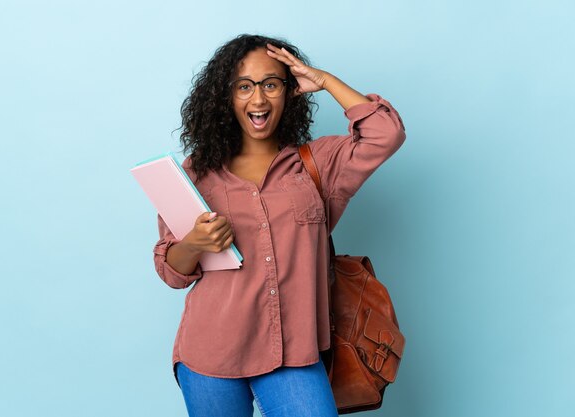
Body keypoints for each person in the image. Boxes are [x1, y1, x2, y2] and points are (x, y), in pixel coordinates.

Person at [153, 34, 406, 417]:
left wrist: (325, 80)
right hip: (211, 355)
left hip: (294, 353)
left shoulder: (319, 165)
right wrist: (195, 243)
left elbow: (386, 134)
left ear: (289, 92)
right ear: (226, 97)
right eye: (244, 87)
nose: (258, 99)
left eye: (271, 84)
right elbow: (172, 272)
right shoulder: (195, 173)